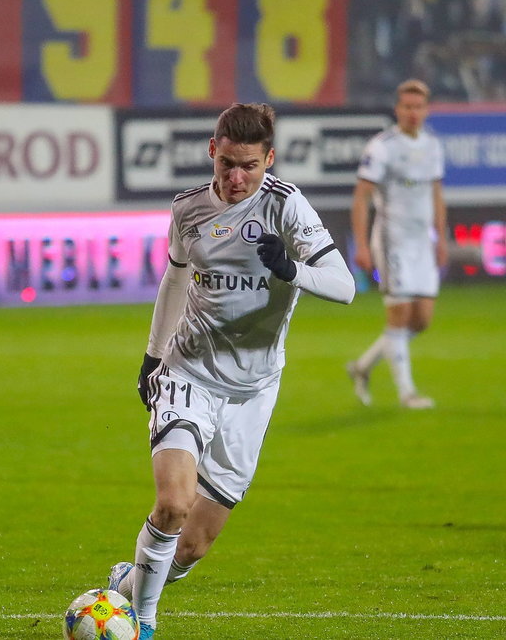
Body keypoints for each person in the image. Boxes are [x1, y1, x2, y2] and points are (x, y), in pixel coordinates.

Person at [106, 104, 355, 639]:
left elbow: (346, 285)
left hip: (253, 390)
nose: (236, 178)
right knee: (173, 503)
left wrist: (292, 268)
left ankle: (123, 591)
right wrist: (152, 356)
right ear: (211, 152)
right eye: (226, 165)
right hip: (188, 370)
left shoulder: (287, 208)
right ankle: (143, 624)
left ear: (270, 159)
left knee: (192, 546)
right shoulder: (188, 210)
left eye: (249, 166)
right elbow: (174, 280)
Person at [346, 79, 447, 409]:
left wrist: (441, 237)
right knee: (399, 315)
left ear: (426, 110)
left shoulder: (432, 145)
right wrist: (361, 245)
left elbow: (435, 193)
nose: (413, 112)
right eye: (407, 106)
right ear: (397, 109)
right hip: (393, 241)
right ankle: (408, 393)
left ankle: (362, 367)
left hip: (422, 242)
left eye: (418, 106)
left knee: (421, 321)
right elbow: (361, 197)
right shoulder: (382, 146)